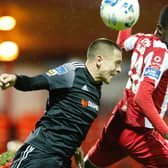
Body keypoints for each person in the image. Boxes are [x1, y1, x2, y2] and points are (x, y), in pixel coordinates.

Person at [0, 38, 122, 168]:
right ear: (99, 60)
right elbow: (34, 82)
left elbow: (73, 122)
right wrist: (16, 79)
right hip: (39, 155)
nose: (119, 69)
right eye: (116, 63)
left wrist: (75, 148)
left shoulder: (96, 90)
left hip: (62, 161)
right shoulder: (73, 72)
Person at [84, 5, 168, 168]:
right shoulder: (162, 53)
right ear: (160, 29)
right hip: (139, 131)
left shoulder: (142, 39)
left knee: (90, 165)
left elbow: (121, 44)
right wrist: (165, 131)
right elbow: (142, 97)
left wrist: (125, 23)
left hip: (118, 121)